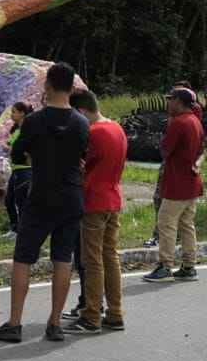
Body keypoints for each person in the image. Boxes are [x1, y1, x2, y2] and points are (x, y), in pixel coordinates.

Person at [0, 63, 90, 343]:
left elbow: (17, 154)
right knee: (63, 258)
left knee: (23, 259)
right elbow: (83, 156)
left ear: (48, 85)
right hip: (71, 196)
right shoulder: (82, 122)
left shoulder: (34, 121)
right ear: (71, 88)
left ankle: (14, 323)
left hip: (41, 195)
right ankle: (54, 323)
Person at [64, 90, 128, 333]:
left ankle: (91, 315)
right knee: (110, 257)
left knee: (92, 260)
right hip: (113, 197)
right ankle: (115, 313)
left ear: (81, 111)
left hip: (94, 200)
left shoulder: (93, 132)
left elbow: (79, 164)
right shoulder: (116, 128)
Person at [143, 87, 204, 282]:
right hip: (191, 182)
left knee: (166, 224)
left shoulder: (178, 122)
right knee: (187, 225)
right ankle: (189, 265)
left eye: (171, 99)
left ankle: (165, 266)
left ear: (179, 101)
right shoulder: (195, 121)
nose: (168, 102)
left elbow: (165, 150)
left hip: (177, 183)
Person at [3, 102, 34, 240]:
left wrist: (11, 149)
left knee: (22, 202)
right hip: (15, 169)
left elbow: (24, 149)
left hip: (24, 170)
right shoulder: (16, 130)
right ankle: (15, 228)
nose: (12, 115)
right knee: (9, 200)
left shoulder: (28, 131)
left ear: (22, 113)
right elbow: (11, 145)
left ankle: (23, 232)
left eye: (14, 112)